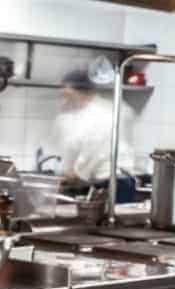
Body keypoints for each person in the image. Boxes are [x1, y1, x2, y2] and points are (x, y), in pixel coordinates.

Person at [52, 68, 136, 201]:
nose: (63, 94)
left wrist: (77, 172)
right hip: (102, 180)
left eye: (66, 89)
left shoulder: (100, 112)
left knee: (108, 219)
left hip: (114, 181)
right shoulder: (82, 113)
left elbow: (95, 148)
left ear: (77, 90)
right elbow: (74, 145)